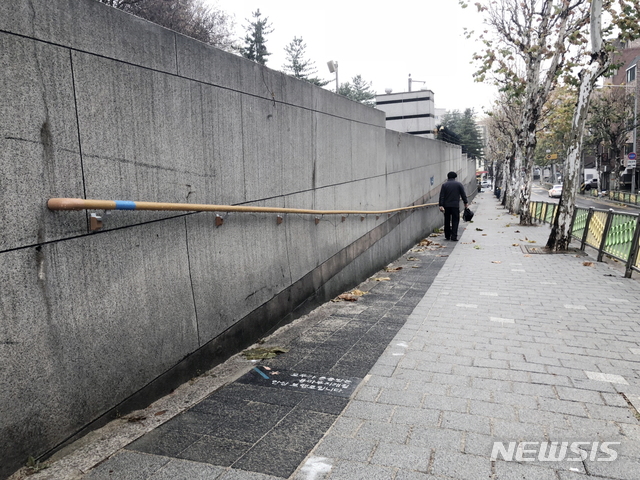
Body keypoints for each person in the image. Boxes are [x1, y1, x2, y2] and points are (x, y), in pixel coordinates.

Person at [438, 171, 469, 241]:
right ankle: (454, 236)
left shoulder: (444, 185)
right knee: (455, 220)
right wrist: (465, 202)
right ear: (455, 177)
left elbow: (442, 196)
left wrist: (441, 205)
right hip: (455, 205)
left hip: (446, 206)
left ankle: (447, 235)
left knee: (447, 220)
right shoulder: (459, 184)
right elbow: (463, 194)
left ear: (448, 177)